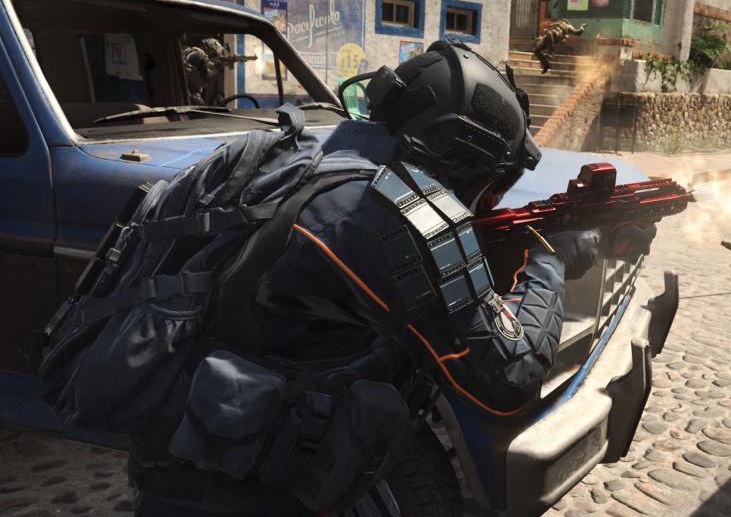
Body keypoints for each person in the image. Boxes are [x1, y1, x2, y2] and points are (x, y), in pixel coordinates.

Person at [129, 40, 612, 516]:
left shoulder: (320, 163)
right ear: (460, 158)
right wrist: (551, 259)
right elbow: (510, 374)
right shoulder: (388, 216)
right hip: (230, 489)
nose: (488, 201)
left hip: (204, 451)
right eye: (490, 185)